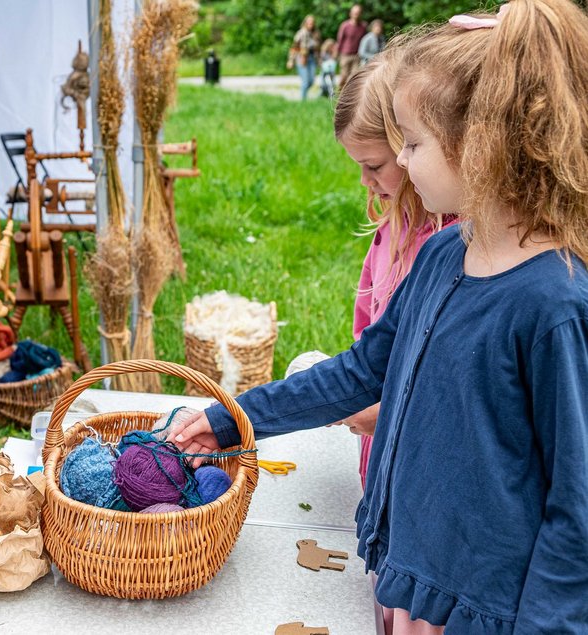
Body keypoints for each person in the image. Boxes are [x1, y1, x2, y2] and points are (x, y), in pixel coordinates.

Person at [170, 1, 588, 631]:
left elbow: (576, 511)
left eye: (413, 143)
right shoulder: (445, 255)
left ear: (483, 145)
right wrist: (231, 419)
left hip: (482, 613)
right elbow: (360, 372)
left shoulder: (555, 305)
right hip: (415, 581)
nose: (405, 162)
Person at [333, 49, 457, 494]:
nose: (365, 181)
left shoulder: (459, 244)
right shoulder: (389, 231)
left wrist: (389, 411)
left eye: (374, 166)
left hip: (429, 468)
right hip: (380, 457)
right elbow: (367, 337)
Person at [288, 15, 321, 101]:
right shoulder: (300, 33)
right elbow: (294, 47)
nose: (311, 24)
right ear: (305, 23)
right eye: (309, 23)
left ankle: (303, 93)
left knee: (311, 81)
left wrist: (319, 60)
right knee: (305, 81)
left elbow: (318, 49)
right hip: (302, 58)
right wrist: (291, 60)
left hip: (312, 58)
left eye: (312, 23)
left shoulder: (316, 34)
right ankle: (303, 100)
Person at [336, 4, 368, 89]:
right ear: (351, 13)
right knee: (344, 76)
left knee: (353, 77)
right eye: (355, 12)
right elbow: (340, 40)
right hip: (345, 55)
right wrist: (338, 54)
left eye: (358, 13)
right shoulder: (345, 25)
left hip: (357, 55)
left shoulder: (363, 26)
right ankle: (339, 93)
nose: (356, 14)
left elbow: (365, 40)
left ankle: (349, 95)